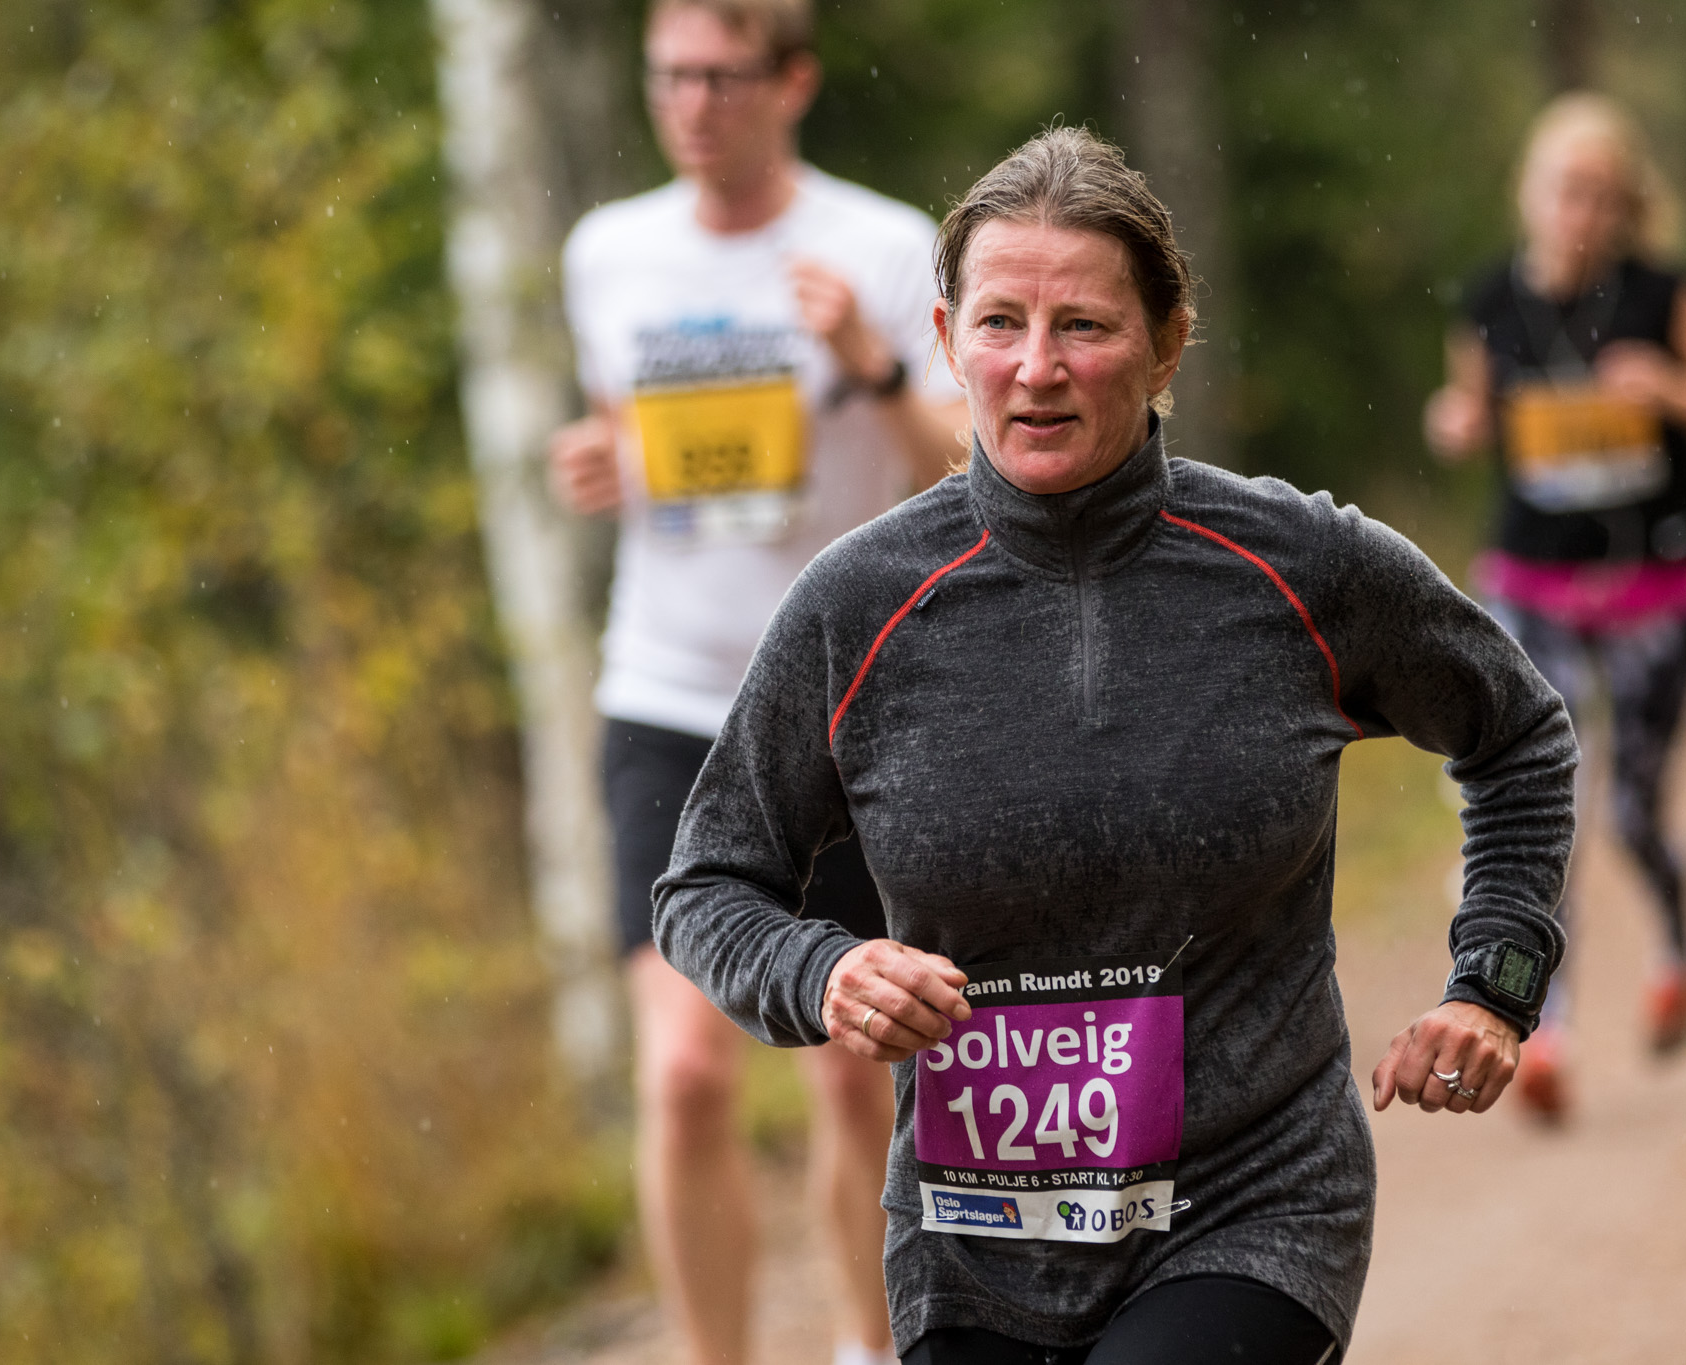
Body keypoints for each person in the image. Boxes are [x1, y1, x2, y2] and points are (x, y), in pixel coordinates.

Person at [656, 127, 1577, 1364]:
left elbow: (1517, 732)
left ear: (1166, 344)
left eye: (1082, 326)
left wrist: (1494, 983)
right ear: (944, 341)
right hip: (971, 1243)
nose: (1036, 369)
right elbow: (707, 885)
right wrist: (818, 972)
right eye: (999, 324)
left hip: (1250, 1207)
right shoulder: (856, 607)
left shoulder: (1297, 568)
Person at [548, 1, 967, 1361]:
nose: (691, 104)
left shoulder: (883, 246)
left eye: (721, 77)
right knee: (683, 1077)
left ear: (791, 83)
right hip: (668, 700)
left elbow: (960, 466)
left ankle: (867, 1345)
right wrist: (600, 465)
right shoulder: (608, 252)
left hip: (843, 709)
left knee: (855, 1074)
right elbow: (635, 441)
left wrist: (869, 363)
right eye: (669, 76)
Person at [1424, 93, 1686, 1119]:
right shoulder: (1491, 300)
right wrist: (1453, 423)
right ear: (1529, 194)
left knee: (1631, 811)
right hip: (1531, 587)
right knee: (1549, 808)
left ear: (1626, 206)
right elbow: (1464, 414)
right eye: (1565, 191)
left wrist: (1666, 387)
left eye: (1601, 196)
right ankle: (1544, 1029)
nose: (1581, 213)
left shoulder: (1664, 296)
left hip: (1653, 587)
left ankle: (1685, 946)